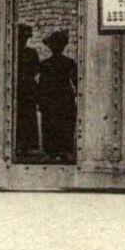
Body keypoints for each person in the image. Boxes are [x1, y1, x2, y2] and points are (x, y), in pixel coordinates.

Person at [36, 30, 78, 163]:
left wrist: (40, 101)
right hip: (65, 98)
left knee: (50, 124)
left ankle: (52, 152)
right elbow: (76, 82)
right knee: (65, 124)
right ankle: (65, 151)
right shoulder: (69, 62)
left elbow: (41, 84)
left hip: (50, 98)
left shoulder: (44, 64)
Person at [14, 24, 40, 159]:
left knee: (26, 116)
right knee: (23, 116)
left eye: (25, 38)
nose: (23, 40)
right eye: (22, 37)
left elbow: (36, 70)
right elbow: (36, 70)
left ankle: (25, 146)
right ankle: (21, 145)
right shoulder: (30, 53)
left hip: (24, 88)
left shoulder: (28, 52)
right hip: (25, 88)